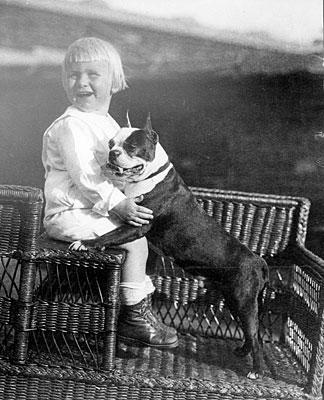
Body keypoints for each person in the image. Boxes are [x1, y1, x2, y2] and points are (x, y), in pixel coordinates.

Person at [42, 37, 178, 349]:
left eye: (93, 74)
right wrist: (118, 204)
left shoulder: (106, 123)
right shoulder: (72, 125)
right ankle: (132, 318)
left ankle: (128, 311)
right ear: (64, 81)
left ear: (115, 81)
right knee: (135, 241)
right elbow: (87, 177)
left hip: (90, 211)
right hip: (69, 215)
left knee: (146, 235)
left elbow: (120, 167)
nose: (82, 83)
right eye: (73, 75)